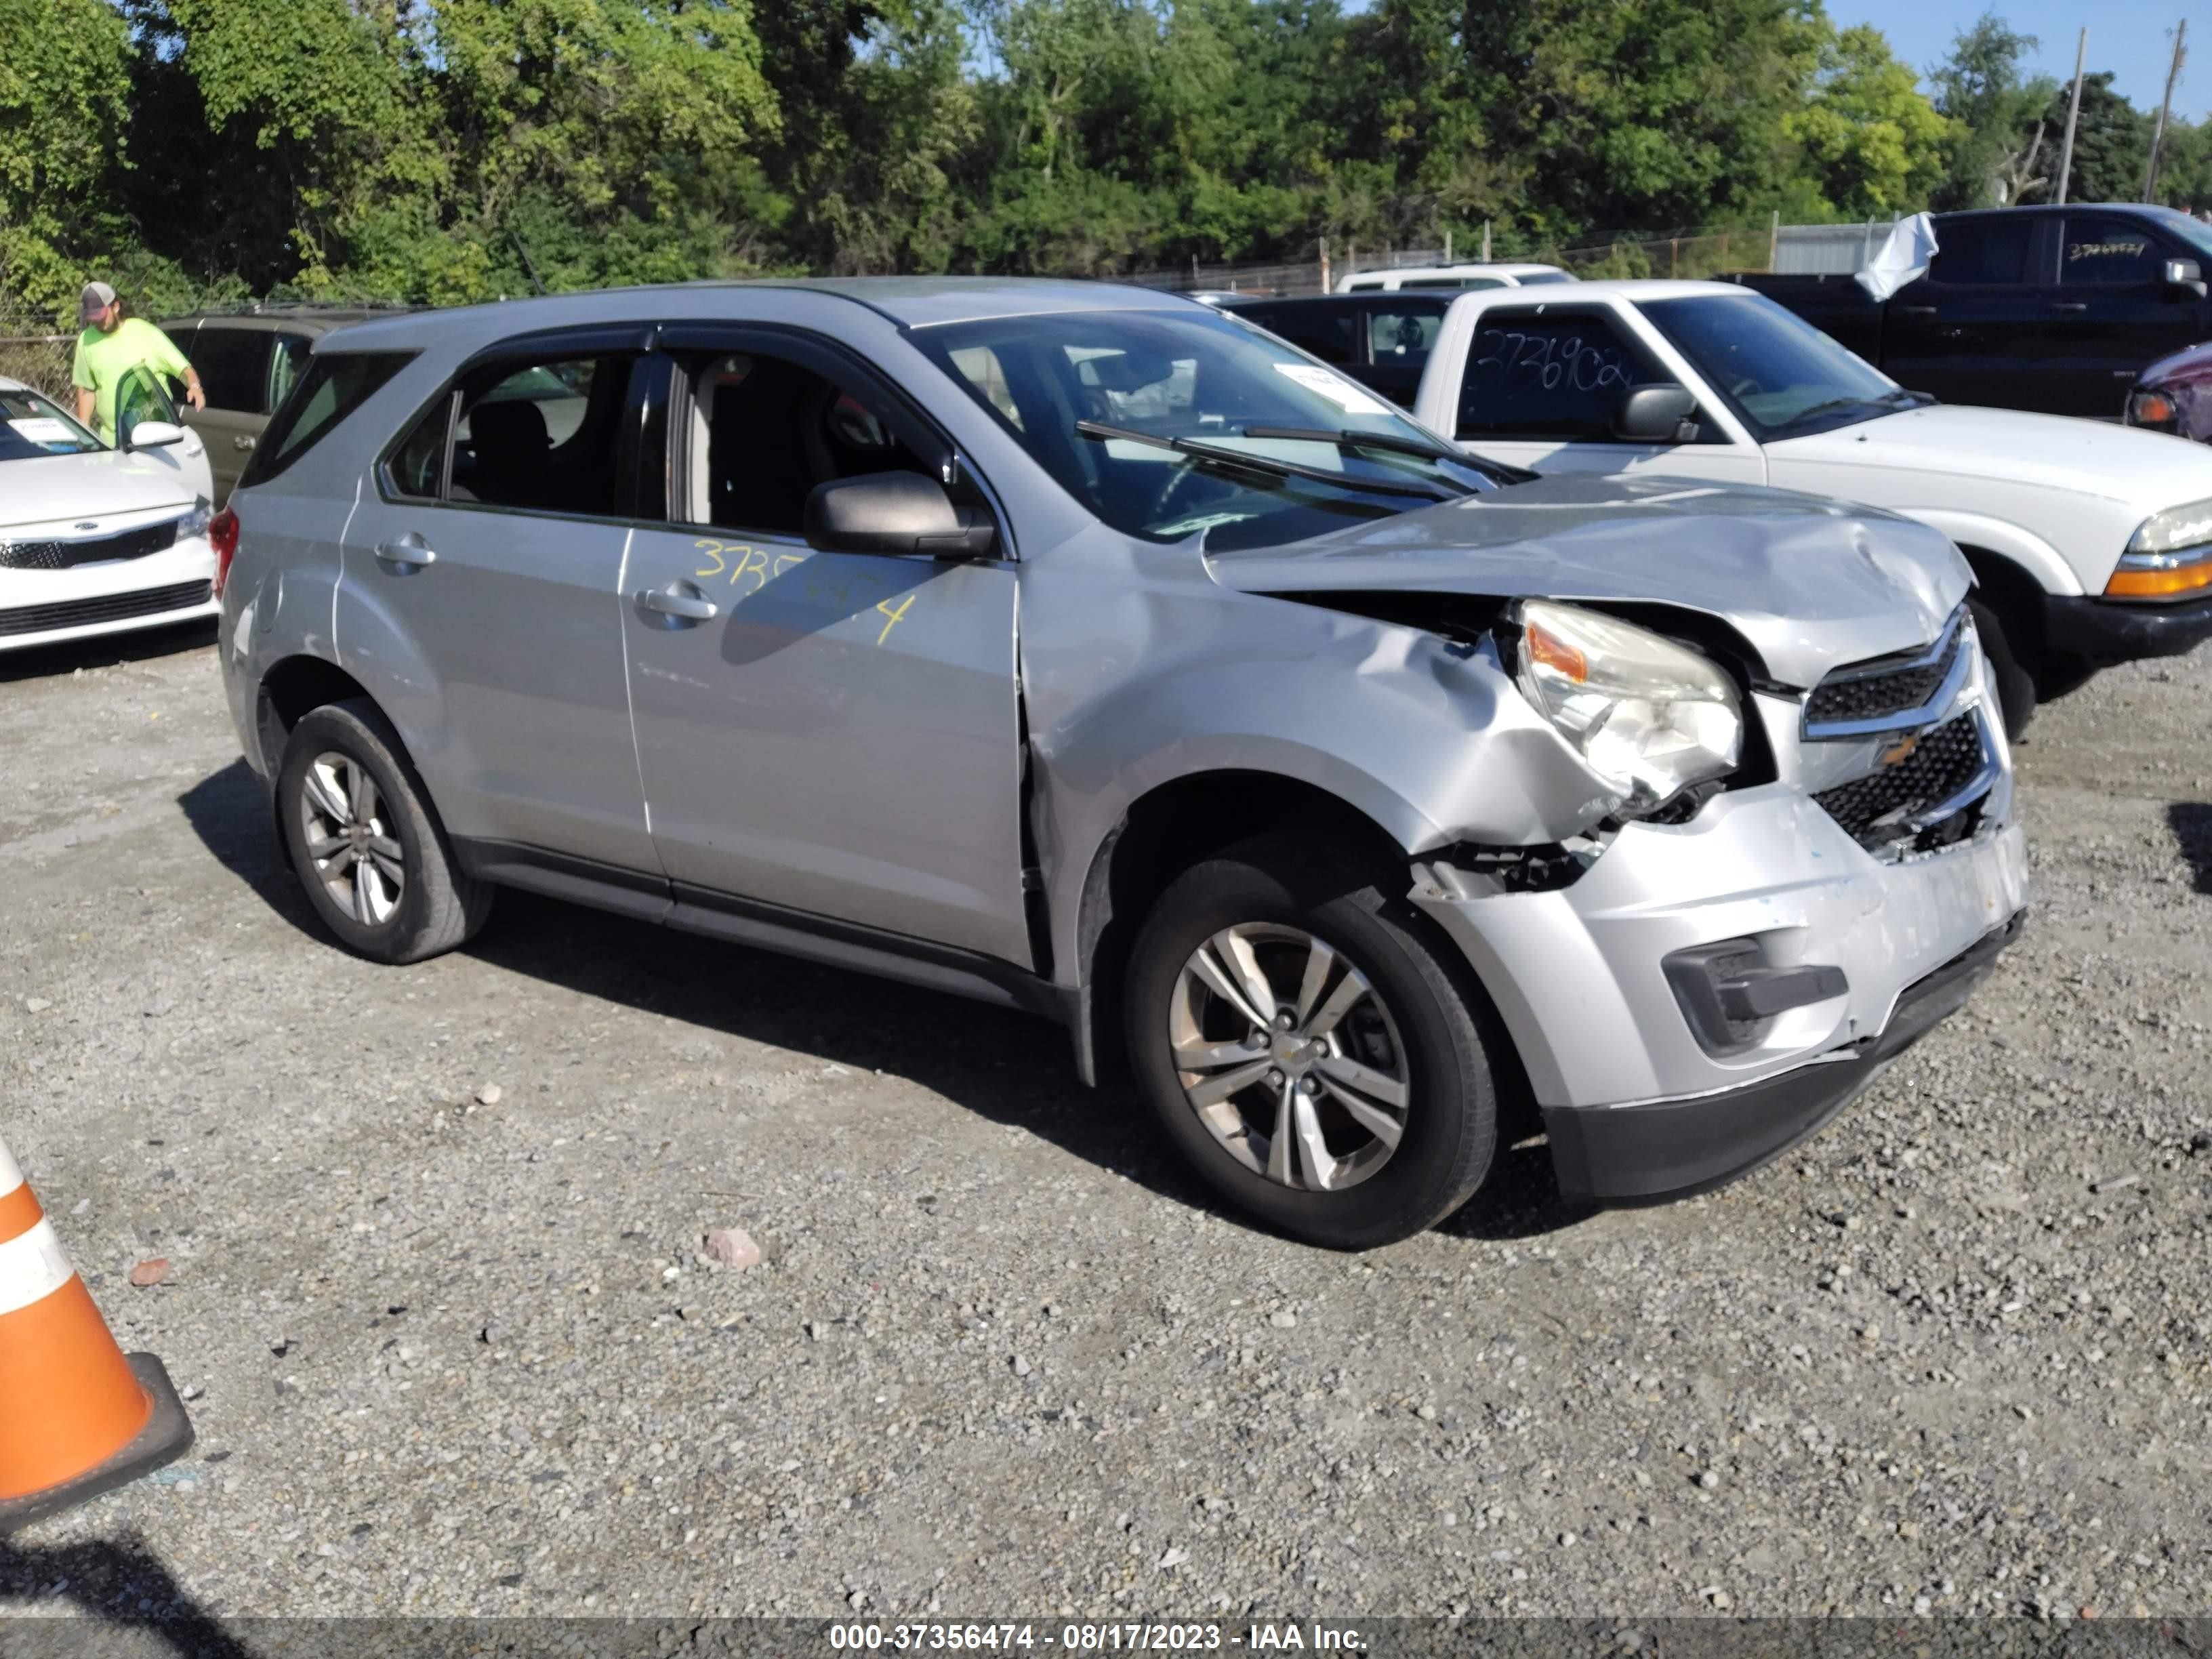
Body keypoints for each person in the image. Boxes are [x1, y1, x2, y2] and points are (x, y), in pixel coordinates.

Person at [70, 281, 204, 447]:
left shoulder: (146, 333)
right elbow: (86, 388)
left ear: (116, 307)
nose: (97, 322)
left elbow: (184, 369)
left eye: (101, 316)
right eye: (92, 318)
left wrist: (194, 387)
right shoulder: (86, 340)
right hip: (114, 443)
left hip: (156, 438)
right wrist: (84, 431)